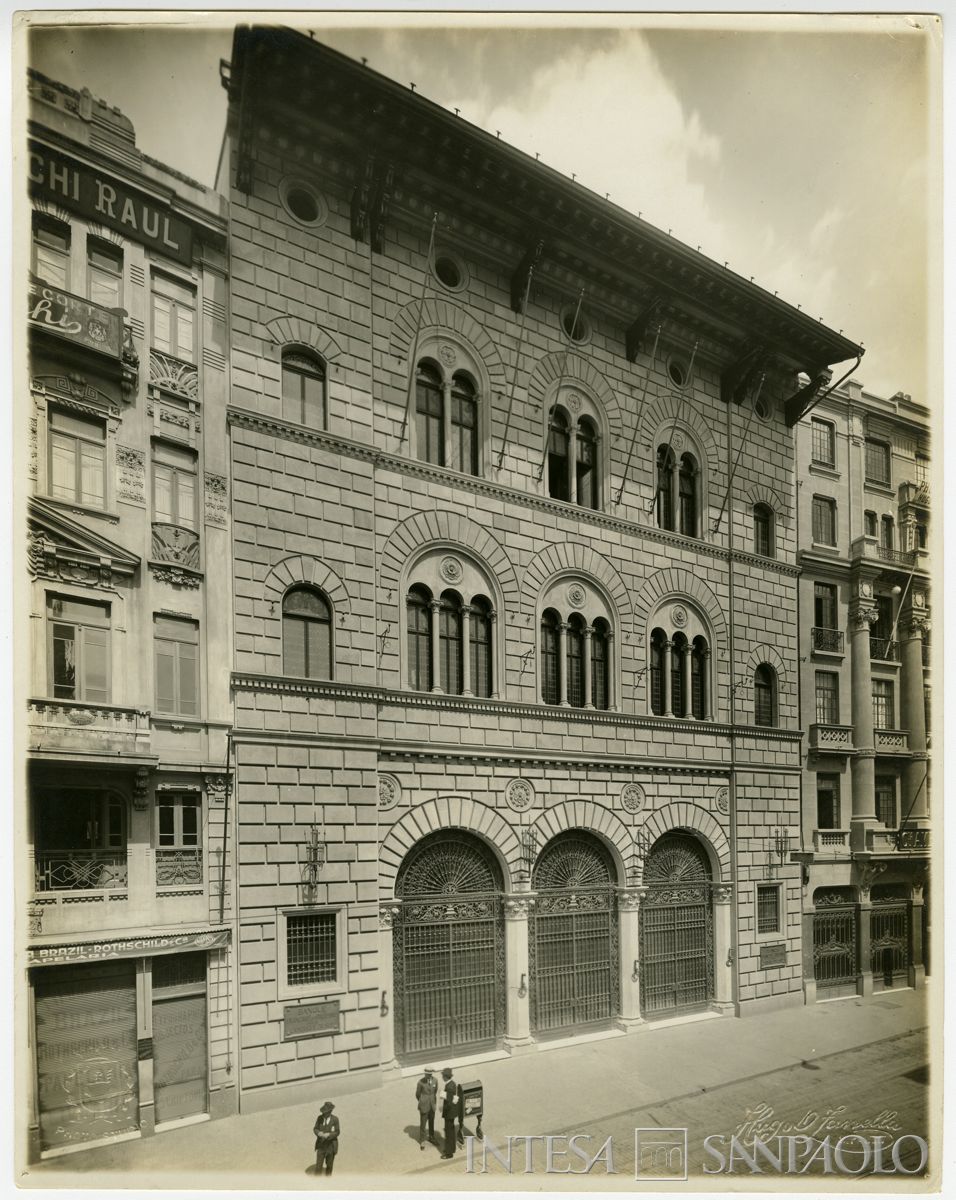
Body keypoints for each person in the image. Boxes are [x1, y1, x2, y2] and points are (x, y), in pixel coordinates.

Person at [313, 1100, 340, 1176]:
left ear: (330, 1111)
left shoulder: (335, 1119)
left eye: (326, 1112)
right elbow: (315, 1128)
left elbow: (337, 1132)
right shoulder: (319, 1118)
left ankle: (328, 1182)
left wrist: (329, 1135)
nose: (324, 1114)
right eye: (323, 1112)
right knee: (318, 1166)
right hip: (321, 1145)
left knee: (329, 1166)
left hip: (331, 1146)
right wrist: (319, 1133)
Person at [415, 1067, 438, 1150]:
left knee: (431, 1122)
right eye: (427, 1074)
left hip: (432, 1105)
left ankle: (431, 1137)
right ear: (424, 1074)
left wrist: (433, 1101)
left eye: (430, 1074)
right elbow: (417, 1094)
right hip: (424, 1105)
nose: (429, 1076)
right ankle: (422, 1140)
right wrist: (422, 1101)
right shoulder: (420, 1082)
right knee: (423, 1124)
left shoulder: (435, 1080)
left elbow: (435, 1091)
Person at [440, 1067, 458, 1159]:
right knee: (450, 1131)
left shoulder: (449, 1086)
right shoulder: (451, 1084)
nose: (442, 1077)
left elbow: (450, 1102)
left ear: (446, 1076)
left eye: (443, 1075)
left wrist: (443, 1109)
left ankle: (449, 1153)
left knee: (449, 1132)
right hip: (451, 1112)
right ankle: (451, 1149)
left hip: (449, 1113)